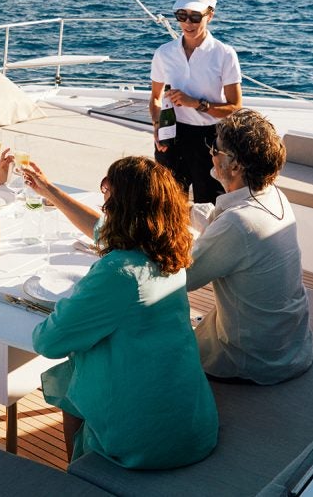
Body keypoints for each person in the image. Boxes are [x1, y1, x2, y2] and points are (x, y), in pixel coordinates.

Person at [23, 156, 218, 469]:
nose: (104, 204)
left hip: (145, 443)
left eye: (107, 195)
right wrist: (50, 191)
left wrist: (70, 304)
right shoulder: (168, 250)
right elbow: (99, 230)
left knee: (67, 375)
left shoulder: (118, 272)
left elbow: (48, 342)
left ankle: (81, 472)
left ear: (121, 206)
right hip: (192, 426)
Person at [186, 108, 313, 384]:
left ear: (235, 165)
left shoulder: (237, 224)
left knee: (149, 344)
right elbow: (224, 224)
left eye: (215, 149)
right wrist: (179, 210)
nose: (211, 153)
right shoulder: (273, 196)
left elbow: (180, 278)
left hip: (253, 359)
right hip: (289, 345)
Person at [151, 0, 243, 202]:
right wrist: (157, 128)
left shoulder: (224, 54)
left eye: (195, 17)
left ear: (209, 15)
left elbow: (234, 107)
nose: (187, 23)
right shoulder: (164, 53)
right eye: (182, 16)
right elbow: (155, 98)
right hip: (173, 135)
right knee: (167, 204)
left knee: (210, 205)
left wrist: (195, 103)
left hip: (211, 140)